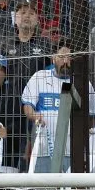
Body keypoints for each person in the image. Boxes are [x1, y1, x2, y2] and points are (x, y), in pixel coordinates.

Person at [22, 42, 74, 171]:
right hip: (43, 150)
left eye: (69, 57)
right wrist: (35, 116)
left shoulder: (82, 82)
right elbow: (27, 107)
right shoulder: (39, 77)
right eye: (62, 57)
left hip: (72, 152)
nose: (66, 61)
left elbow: (91, 116)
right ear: (53, 58)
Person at [0, 0, 50, 95]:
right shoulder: (5, 45)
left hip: (37, 96)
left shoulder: (45, 44)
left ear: (37, 20)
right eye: (23, 12)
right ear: (15, 19)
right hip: (10, 98)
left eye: (31, 13)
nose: (27, 16)